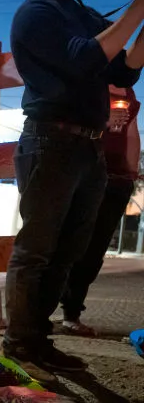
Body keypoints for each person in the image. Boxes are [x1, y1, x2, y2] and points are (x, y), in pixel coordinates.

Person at [4, 0, 144, 381]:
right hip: (51, 141)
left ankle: (39, 341)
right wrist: (139, 6)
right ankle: (18, 345)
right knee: (37, 250)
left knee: (68, 253)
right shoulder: (38, 12)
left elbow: (123, 68)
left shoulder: (83, 13)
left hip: (88, 147)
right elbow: (86, 60)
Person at [60, 86, 140, 336]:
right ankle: (36, 316)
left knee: (94, 250)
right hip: (83, 171)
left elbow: (131, 132)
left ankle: (71, 313)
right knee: (68, 243)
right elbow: (64, 121)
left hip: (116, 179)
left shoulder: (127, 89)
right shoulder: (89, 78)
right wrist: (103, 121)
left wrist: (131, 172)